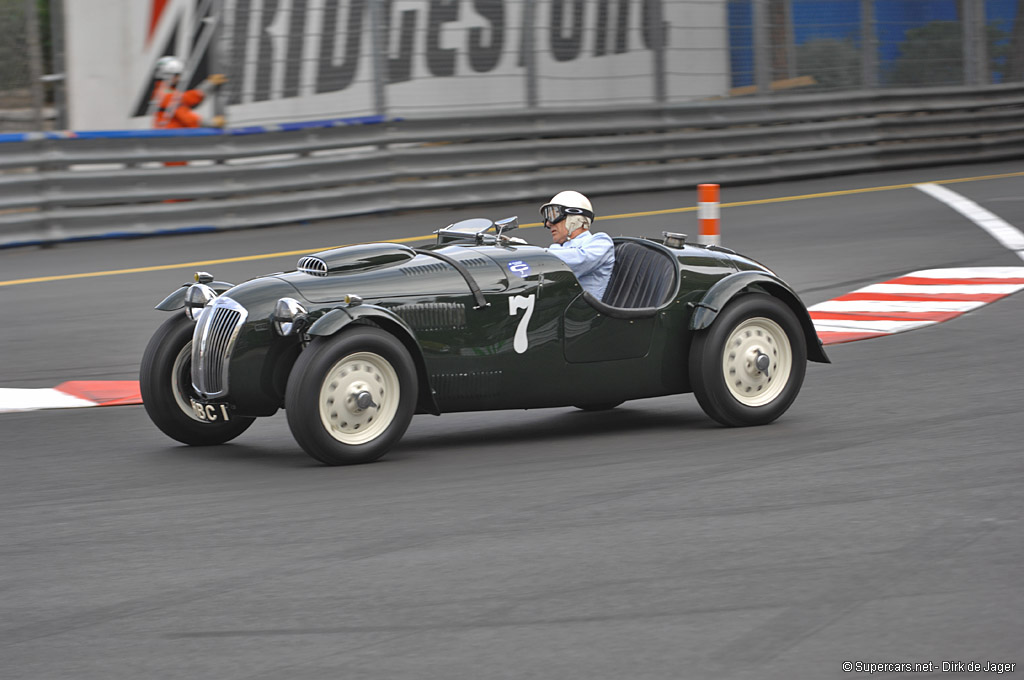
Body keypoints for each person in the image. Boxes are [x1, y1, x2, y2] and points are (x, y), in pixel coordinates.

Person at [542, 190, 615, 300]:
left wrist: (532, 251)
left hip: (585, 314)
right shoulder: (556, 249)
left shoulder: (600, 242)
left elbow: (580, 260)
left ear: (575, 219)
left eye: (553, 215)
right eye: (547, 217)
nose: (548, 223)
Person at [151, 56, 227, 129]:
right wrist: (213, 123)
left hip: (170, 135)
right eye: (176, 75)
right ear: (167, 75)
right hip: (173, 136)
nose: (179, 78)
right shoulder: (166, 94)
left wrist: (209, 84)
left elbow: (187, 98)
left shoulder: (163, 91)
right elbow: (187, 118)